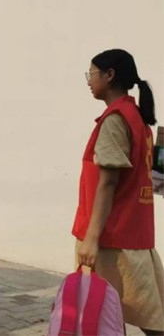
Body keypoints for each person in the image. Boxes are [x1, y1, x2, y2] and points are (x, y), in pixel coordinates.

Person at [73, 49, 164, 335]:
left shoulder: (115, 119)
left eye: (92, 74)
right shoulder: (136, 118)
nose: (89, 81)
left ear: (109, 75)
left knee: (104, 314)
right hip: (133, 234)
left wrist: (91, 239)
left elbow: (108, 183)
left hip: (111, 239)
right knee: (131, 318)